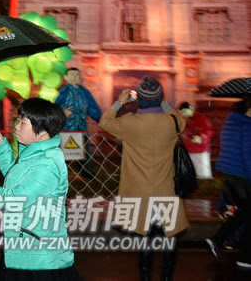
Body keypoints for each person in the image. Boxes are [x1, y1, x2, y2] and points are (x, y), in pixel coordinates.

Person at [0, 98, 79, 279]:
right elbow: (14, 178)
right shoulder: (33, 153)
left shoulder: (47, 164)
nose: (16, 126)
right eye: (18, 120)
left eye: (23, 122)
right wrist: (2, 147)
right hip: (24, 249)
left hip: (40, 258)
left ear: (42, 132)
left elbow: (13, 199)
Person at [99, 77, 187, 280]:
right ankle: (166, 277)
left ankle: (145, 277)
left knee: (145, 239)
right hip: (165, 189)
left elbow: (105, 122)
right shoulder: (172, 122)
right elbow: (179, 118)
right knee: (168, 237)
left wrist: (120, 102)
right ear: (159, 98)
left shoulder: (130, 122)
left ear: (139, 100)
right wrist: (163, 102)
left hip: (139, 192)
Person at [206, 96, 251, 270]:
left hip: (230, 174)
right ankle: (244, 255)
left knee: (242, 212)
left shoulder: (230, 123)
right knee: (246, 213)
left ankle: (220, 239)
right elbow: (248, 156)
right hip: (242, 175)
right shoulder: (247, 126)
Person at [54, 68, 101, 180]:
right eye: (72, 75)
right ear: (66, 78)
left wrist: (101, 119)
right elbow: (54, 106)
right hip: (66, 127)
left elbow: (92, 107)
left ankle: (88, 174)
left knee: (84, 151)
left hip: (80, 126)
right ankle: (57, 175)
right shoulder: (63, 91)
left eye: (77, 75)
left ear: (80, 78)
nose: (75, 77)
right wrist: (62, 112)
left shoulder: (84, 92)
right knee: (61, 153)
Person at [179, 102, 213, 180]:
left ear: (191, 109)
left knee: (203, 176)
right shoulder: (182, 120)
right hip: (188, 152)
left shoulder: (201, 119)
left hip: (201, 152)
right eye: (182, 112)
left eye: (185, 112)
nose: (184, 114)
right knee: (189, 177)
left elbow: (208, 131)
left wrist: (201, 138)